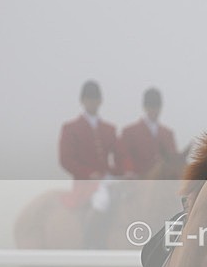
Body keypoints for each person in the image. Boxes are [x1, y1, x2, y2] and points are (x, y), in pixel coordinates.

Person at [58, 80, 119, 248]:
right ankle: (89, 243)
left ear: (100, 101)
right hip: (85, 184)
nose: (92, 102)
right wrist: (88, 173)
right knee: (102, 201)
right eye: (89, 99)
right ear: (82, 101)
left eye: (95, 99)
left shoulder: (109, 129)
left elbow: (119, 156)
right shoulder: (71, 128)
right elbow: (66, 160)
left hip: (107, 179)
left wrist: (124, 172)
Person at [114, 87, 178, 179]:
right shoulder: (129, 132)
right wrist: (129, 170)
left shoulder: (168, 134)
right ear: (145, 107)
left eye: (157, 107)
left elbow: (173, 159)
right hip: (138, 182)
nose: (154, 110)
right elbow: (123, 156)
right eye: (151, 106)